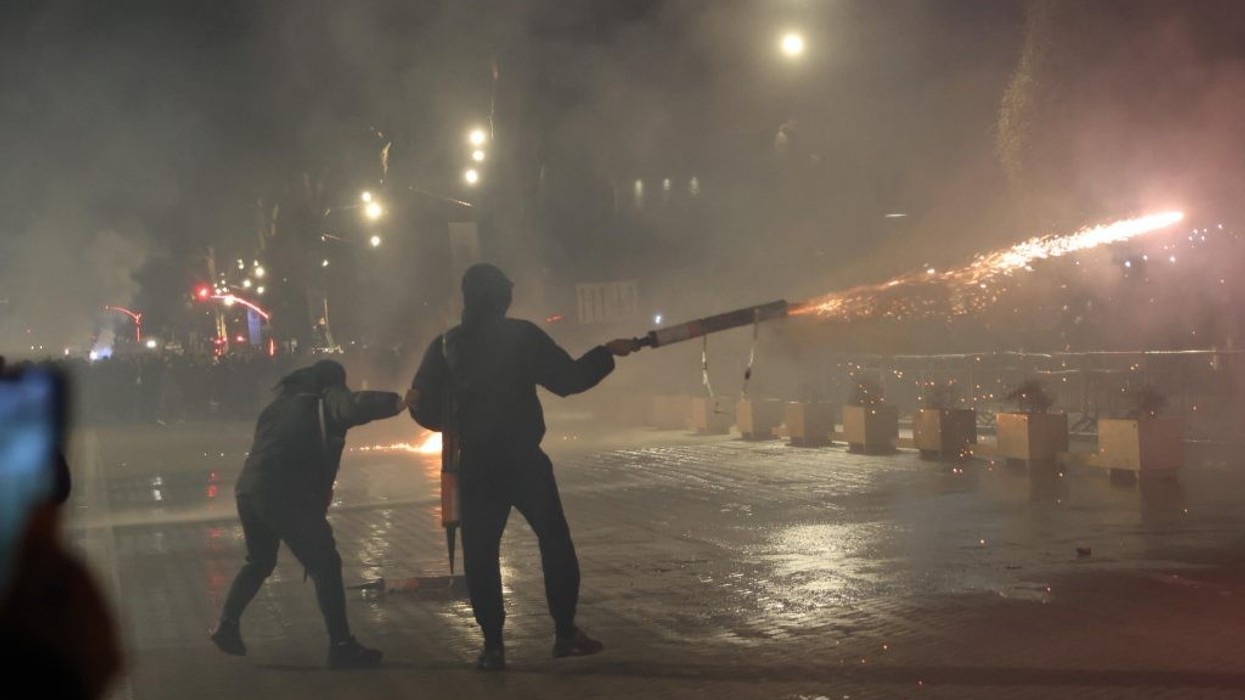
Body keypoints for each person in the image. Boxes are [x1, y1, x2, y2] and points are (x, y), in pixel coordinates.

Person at [408, 263, 641, 671]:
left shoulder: (446, 346)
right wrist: (606, 353)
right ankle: (565, 634)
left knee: (480, 554)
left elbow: (423, 407)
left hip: (476, 464)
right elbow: (568, 380)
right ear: (502, 298)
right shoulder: (521, 336)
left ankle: (493, 647)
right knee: (555, 542)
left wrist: (460, 422)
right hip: (523, 460)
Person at [209, 359, 411, 668]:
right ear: (331, 383)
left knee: (260, 561)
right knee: (326, 564)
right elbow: (353, 405)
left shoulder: (277, 407)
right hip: (285, 492)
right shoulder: (323, 400)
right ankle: (342, 646)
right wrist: (397, 402)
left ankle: (227, 625)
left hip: (249, 490)